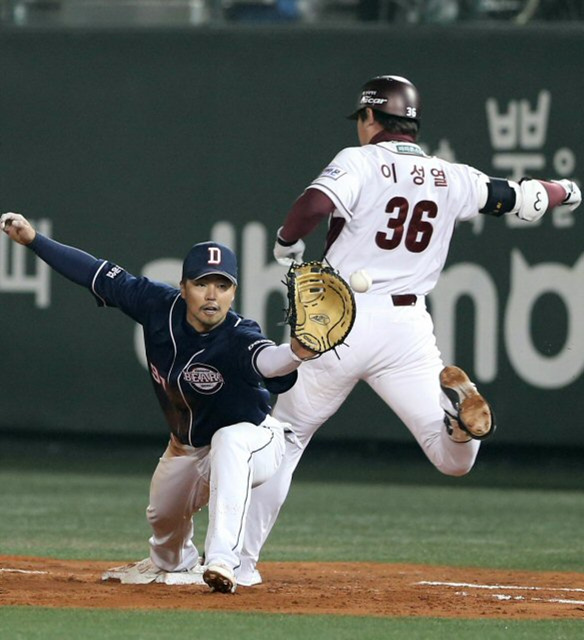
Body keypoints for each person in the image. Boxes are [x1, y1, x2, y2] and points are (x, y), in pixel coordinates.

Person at [238, 74, 582, 586]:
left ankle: (240, 564)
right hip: (408, 328)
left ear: (372, 119)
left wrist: (287, 245)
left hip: (342, 320)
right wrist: (568, 191)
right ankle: (459, 416)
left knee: (284, 437)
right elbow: (522, 197)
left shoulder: (359, 161)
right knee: (451, 460)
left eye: (361, 118)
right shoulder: (452, 175)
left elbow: (312, 207)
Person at [0, 211, 316, 594]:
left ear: (234, 292)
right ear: (183, 287)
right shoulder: (155, 304)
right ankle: (178, 563)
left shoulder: (239, 334)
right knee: (163, 519)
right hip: (186, 448)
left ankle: (221, 560)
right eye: (202, 284)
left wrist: (296, 352)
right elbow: (93, 272)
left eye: (222, 285)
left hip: (256, 440)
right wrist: (34, 240)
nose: (212, 294)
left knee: (230, 442)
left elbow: (269, 361)